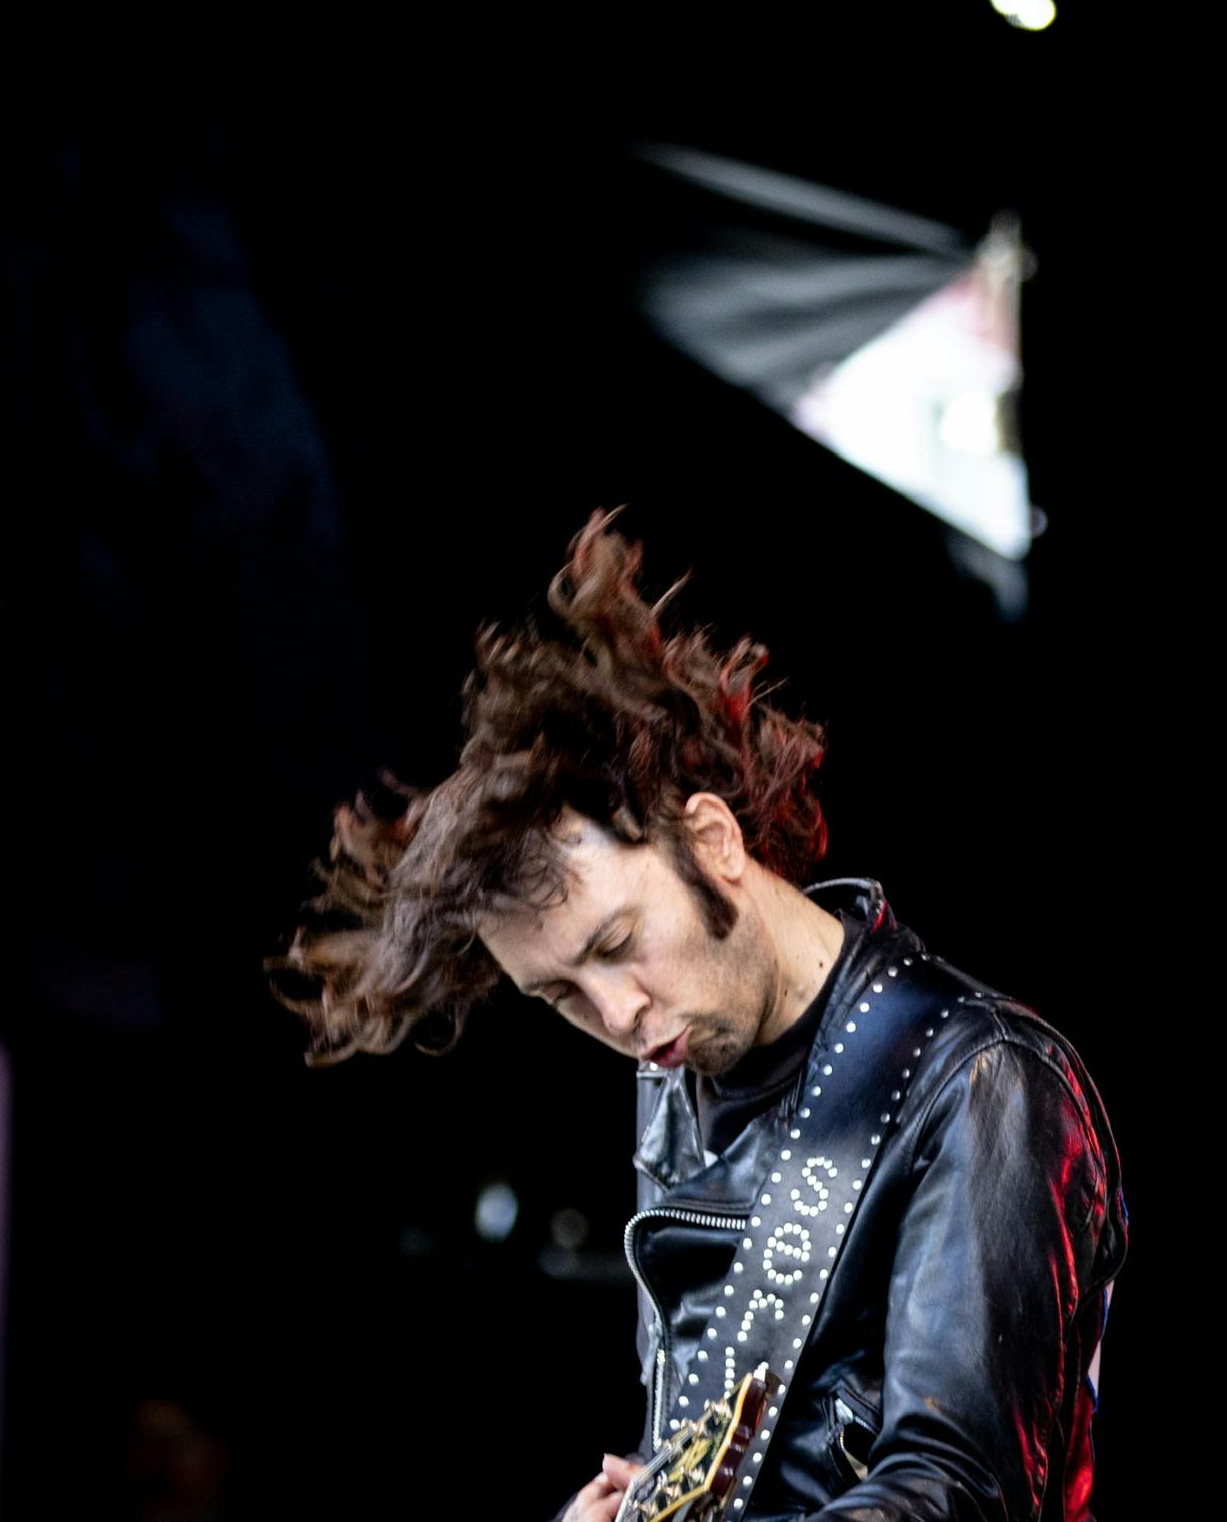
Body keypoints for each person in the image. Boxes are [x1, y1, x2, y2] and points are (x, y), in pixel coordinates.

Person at [267, 509, 1131, 1520]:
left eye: (614, 942)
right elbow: (747, 1458)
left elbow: (956, 1493)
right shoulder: (681, 1072)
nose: (616, 1012)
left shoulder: (981, 1079)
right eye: (559, 994)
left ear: (713, 842)